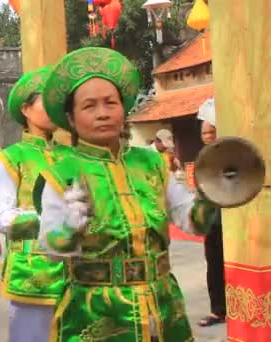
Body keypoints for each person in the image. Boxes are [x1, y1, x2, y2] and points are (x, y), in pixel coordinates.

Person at [35, 47, 217, 341]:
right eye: (89, 106)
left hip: (162, 303)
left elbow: (191, 220)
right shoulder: (62, 172)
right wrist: (70, 229)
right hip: (96, 311)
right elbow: (51, 249)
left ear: (124, 107)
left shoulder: (151, 164)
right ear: (70, 118)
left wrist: (214, 194)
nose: (103, 113)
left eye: (111, 102)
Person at [0, 66, 65, 342]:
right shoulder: (12, 157)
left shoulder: (70, 155)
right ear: (26, 109)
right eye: (47, 101)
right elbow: (0, 216)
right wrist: (53, 219)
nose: (55, 108)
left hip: (76, 269)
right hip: (33, 270)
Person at [197, 101, 226, 327]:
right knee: (214, 265)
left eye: (211, 131)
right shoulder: (202, 157)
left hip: (231, 219)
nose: (207, 136)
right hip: (212, 221)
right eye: (204, 132)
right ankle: (218, 311)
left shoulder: (231, 154)